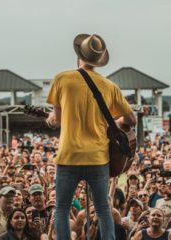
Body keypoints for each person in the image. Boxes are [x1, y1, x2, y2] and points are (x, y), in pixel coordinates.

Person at [46, 33, 136, 240]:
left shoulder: (62, 79)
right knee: (103, 209)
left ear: (79, 54)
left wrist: (51, 119)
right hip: (98, 157)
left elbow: (56, 121)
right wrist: (115, 124)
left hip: (69, 155)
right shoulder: (109, 86)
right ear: (99, 60)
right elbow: (131, 119)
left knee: (61, 207)